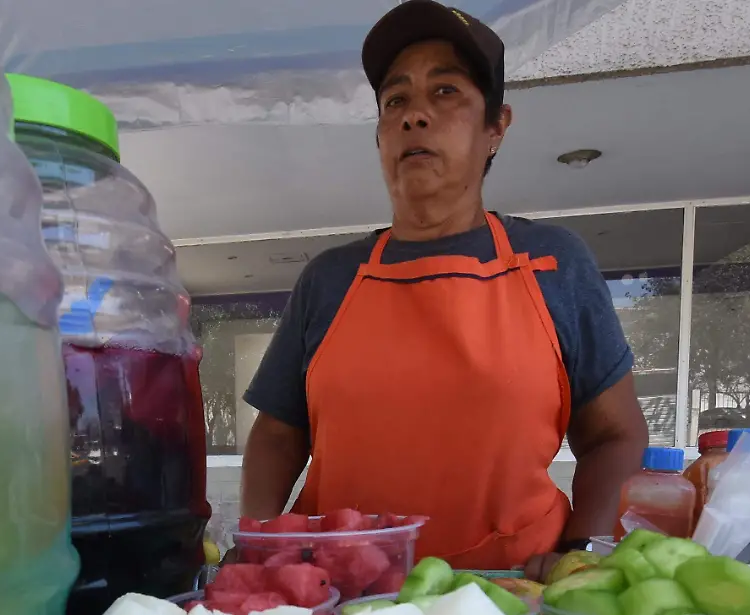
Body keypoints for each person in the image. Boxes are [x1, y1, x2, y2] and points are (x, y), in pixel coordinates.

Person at [240, 0, 650, 579]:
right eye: (395, 101)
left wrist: (581, 550)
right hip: (343, 596)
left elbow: (614, 433)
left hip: (509, 595)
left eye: (446, 92)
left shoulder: (555, 264)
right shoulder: (329, 279)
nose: (414, 116)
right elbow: (279, 437)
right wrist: (255, 546)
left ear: (495, 127)